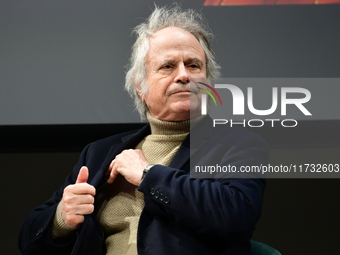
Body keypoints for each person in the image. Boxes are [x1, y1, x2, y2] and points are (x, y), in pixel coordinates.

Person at [19, 5, 269, 255]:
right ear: (140, 85)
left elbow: (235, 215)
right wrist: (61, 220)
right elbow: (29, 242)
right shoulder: (98, 153)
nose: (184, 75)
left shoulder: (239, 144)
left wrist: (148, 174)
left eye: (193, 65)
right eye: (168, 66)